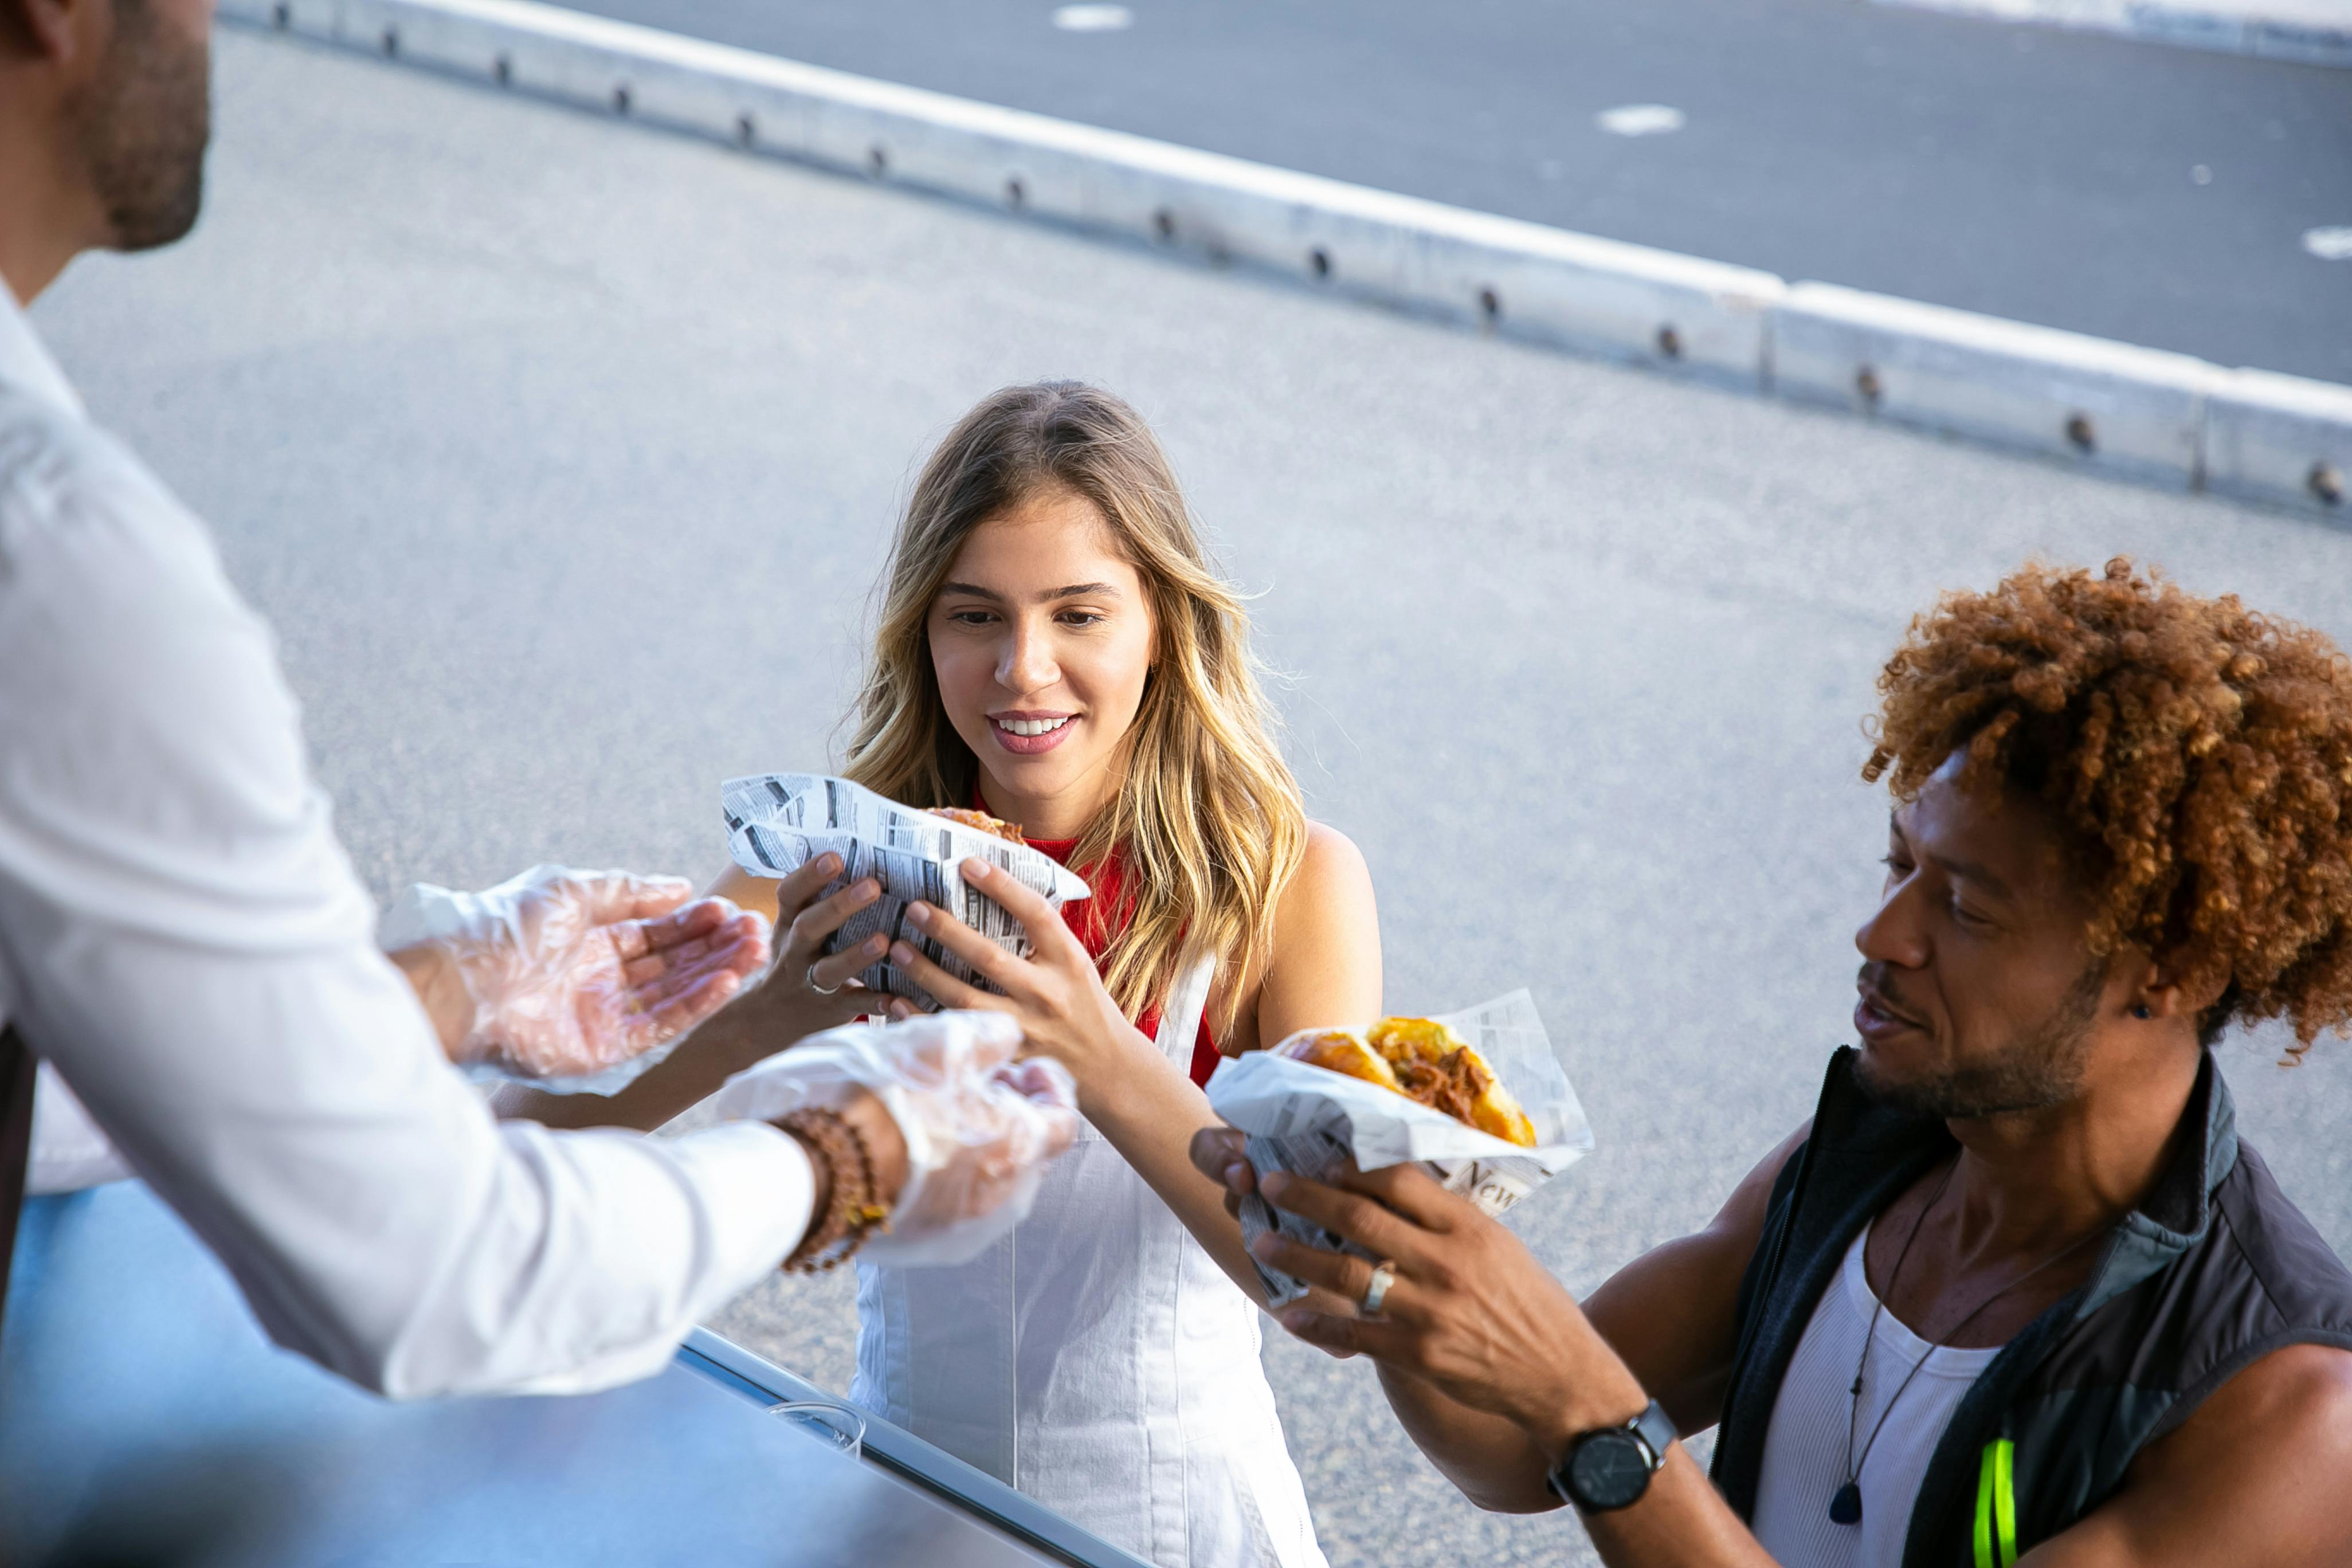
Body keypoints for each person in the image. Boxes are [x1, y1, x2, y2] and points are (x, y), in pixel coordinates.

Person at [0, 0, 1076, 1398]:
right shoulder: (61, 561)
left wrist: (447, 983)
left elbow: (128, 1061)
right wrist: (852, 1157)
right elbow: (435, 1277)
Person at [1197, 560, 2352, 1567]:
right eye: (1896, 866)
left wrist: (1593, 1417)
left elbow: (1570, 1416)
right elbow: (1505, 1451)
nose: (1882, 934)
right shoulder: (1852, 1171)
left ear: (2175, 968)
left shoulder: (2284, 1409)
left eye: (1963, 904)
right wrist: (1390, 1245)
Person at [509, 382, 1383, 1567]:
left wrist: (1099, 1058)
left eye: (1079, 615)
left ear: (1164, 623)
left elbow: (1332, 1295)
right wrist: (758, 1023)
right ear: (923, 629)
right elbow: (531, 1149)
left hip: (1184, 1533)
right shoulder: (814, 868)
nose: (1024, 670)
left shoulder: (1288, 886)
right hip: (899, 1513)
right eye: (976, 616)